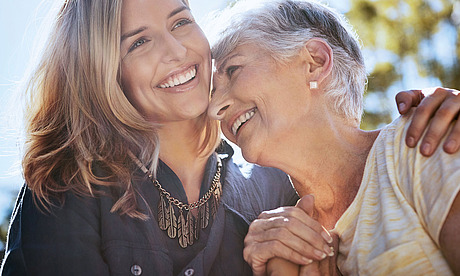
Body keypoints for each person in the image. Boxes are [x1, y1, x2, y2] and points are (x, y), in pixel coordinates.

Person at [0, 0, 457, 275]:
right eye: (138, 43)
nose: (216, 105)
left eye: (181, 22)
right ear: (104, 72)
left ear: (315, 63)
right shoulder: (69, 189)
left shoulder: (417, 150)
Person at [207, 0, 460, 275]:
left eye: (233, 70)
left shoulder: (423, 142)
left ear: (314, 62)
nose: (214, 107)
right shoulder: (280, 244)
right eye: (211, 91)